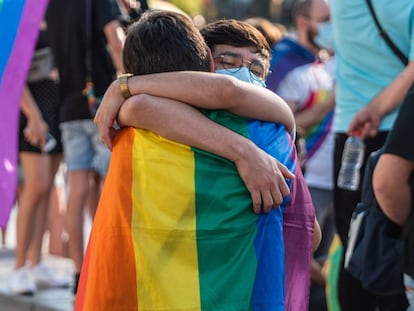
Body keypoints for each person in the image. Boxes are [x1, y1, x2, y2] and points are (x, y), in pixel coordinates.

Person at [76, 11, 318, 310]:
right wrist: (247, 152)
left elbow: (216, 93)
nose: (245, 75)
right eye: (228, 63)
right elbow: (308, 235)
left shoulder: (128, 128)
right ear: (202, 66)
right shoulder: (269, 132)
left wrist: (124, 85)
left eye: (257, 68)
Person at [330, 0, 414, 309]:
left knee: (353, 242)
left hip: (350, 130)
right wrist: (375, 110)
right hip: (397, 128)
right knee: (395, 247)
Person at [255, 1, 335, 308]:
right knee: (298, 259)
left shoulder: (324, 61)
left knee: (322, 256)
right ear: (303, 22)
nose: (332, 27)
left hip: (332, 177)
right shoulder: (284, 63)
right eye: (325, 20)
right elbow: (276, 123)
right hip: (302, 177)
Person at [44, 0, 125, 294]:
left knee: (76, 190)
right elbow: (115, 41)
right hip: (103, 104)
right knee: (108, 190)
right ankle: (106, 267)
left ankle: (80, 271)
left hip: (68, 106)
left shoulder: (51, 6)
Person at [8, 22, 71, 295]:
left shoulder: (55, 10)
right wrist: (33, 116)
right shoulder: (21, 14)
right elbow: (11, 69)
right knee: (35, 188)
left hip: (57, 105)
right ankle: (19, 267)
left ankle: (36, 263)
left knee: (45, 190)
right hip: (32, 109)